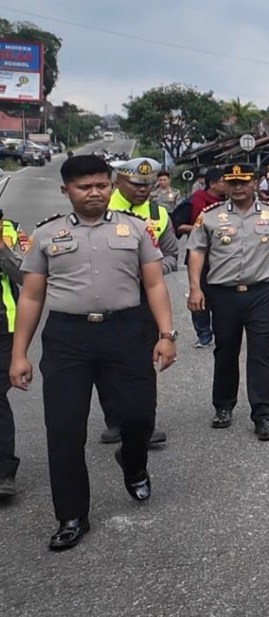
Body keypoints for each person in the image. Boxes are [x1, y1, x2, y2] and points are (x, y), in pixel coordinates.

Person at [10, 154, 177, 551]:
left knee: (139, 418)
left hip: (126, 332)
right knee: (65, 430)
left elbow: (154, 285)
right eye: (85, 187)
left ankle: (133, 464)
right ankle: (71, 515)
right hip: (69, 339)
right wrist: (19, 354)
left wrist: (167, 334)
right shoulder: (47, 235)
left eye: (101, 185)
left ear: (111, 185)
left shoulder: (135, 229)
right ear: (66, 191)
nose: (94, 193)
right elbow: (32, 296)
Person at [186, 163, 269, 442]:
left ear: (254, 183)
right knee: (226, 350)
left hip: (260, 293)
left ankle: (263, 415)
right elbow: (196, 251)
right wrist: (194, 288)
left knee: (261, 352)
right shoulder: (209, 217)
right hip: (223, 294)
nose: (237, 187)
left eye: (244, 182)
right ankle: (223, 406)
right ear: (224, 184)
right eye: (232, 182)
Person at [101, 157, 180, 445]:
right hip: (106, 297)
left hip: (146, 298)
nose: (143, 189)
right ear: (118, 182)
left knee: (144, 362)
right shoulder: (101, 209)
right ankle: (115, 420)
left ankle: (144, 422)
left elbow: (172, 254)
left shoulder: (159, 213)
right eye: (136, 184)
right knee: (107, 361)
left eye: (147, 184)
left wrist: (154, 269)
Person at [174, 167, 226, 349]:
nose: (228, 185)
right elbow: (178, 226)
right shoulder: (194, 202)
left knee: (222, 296)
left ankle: (223, 331)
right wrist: (203, 228)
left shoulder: (229, 202)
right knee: (199, 294)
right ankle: (203, 333)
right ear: (212, 184)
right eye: (224, 181)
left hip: (224, 257)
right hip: (199, 256)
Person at [0, 209, 26, 501]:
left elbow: (25, 275)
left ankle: (3, 471)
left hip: (2, 324)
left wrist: (1, 247)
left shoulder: (11, 229)